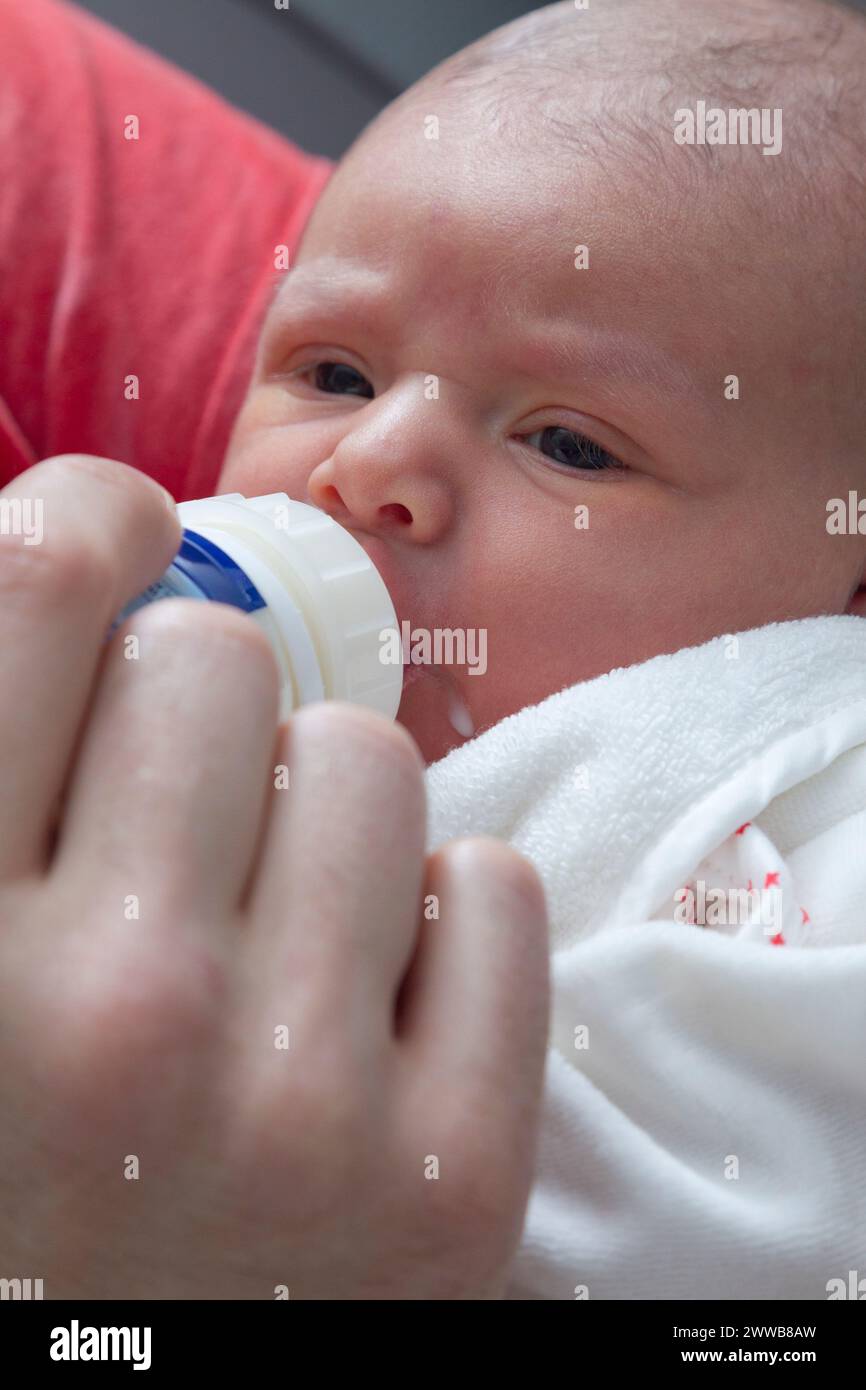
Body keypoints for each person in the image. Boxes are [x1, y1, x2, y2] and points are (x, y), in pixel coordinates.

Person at [3, 0, 866, 1298]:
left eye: (570, 444)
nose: (366, 466)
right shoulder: (137, 672)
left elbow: (791, 1190)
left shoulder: (807, 782)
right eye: (334, 372)